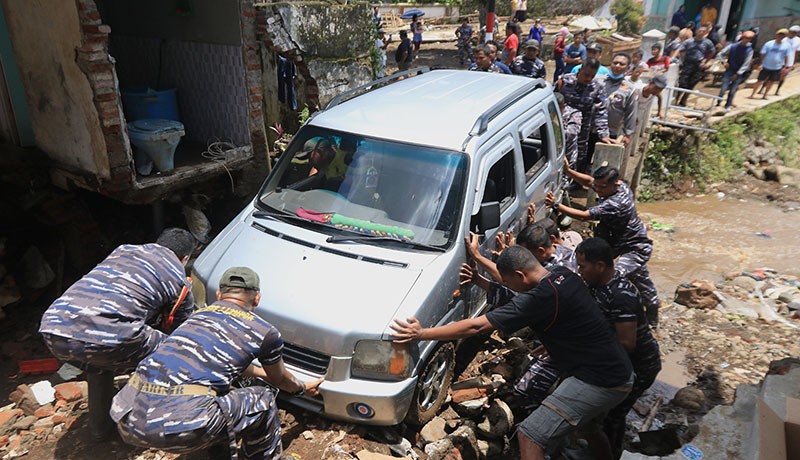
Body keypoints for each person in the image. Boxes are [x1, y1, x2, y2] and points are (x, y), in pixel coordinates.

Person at [391, 246, 633, 460]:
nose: (507, 287)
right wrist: (555, 343)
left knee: (530, 435)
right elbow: (576, 317)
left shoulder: (540, 299)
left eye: (508, 282)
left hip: (600, 381)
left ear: (520, 275)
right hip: (618, 370)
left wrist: (422, 333)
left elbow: (478, 326)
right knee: (589, 426)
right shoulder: (564, 275)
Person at [112, 267, 324, 459]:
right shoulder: (265, 331)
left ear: (220, 295)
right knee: (263, 399)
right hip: (180, 427)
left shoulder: (196, 317)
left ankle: (216, 451)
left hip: (129, 419)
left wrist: (258, 372)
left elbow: (218, 364)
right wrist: (302, 388)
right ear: (257, 298)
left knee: (217, 390)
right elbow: (281, 380)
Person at [40, 228, 197, 439]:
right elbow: (183, 330)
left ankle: (100, 427)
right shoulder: (179, 278)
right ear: (185, 258)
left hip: (54, 329)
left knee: (99, 362)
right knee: (175, 350)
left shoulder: (123, 251)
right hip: (109, 334)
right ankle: (156, 423)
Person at [575, 238, 661, 460]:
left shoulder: (621, 296)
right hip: (622, 361)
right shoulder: (597, 284)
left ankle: (609, 454)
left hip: (640, 365)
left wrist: (586, 352)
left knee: (612, 414)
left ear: (600, 266)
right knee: (611, 414)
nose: (579, 271)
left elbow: (626, 343)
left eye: (582, 266)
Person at [546, 165, 661, 327]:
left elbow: (585, 216)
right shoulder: (610, 186)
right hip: (616, 243)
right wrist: (568, 171)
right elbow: (589, 181)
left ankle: (621, 316)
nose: (598, 189)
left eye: (602, 187)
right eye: (597, 186)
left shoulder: (618, 202)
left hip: (635, 247)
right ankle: (652, 309)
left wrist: (556, 205)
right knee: (640, 277)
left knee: (612, 278)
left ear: (616, 183)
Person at [556, 58, 613, 174]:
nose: (588, 79)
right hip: (561, 126)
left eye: (592, 76)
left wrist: (603, 134)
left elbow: (600, 111)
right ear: (580, 69)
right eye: (586, 75)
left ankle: (575, 182)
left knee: (579, 157)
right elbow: (553, 100)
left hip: (582, 130)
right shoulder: (564, 81)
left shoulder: (597, 86)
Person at [604, 52, 639, 147]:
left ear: (627, 67)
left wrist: (628, 134)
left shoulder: (629, 89)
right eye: (615, 63)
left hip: (612, 131)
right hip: (592, 129)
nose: (617, 66)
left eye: (622, 64)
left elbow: (631, 113)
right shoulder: (599, 81)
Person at [676, 26, 715, 106]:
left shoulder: (707, 42)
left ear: (705, 33)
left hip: (698, 64)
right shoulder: (689, 42)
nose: (701, 33)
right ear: (696, 31)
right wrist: (682, 61)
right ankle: (676, 99)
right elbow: (681, 50)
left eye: (703, 32)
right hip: (688, 63)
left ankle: (683, 100)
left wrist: (705, 61)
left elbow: (712, 51)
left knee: (692, 83)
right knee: (683, 82)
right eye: (699, 31)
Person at [749, 29, 792, 99]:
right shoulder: (769, 44)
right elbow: (763, 54)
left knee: (771, 81)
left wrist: (785, 66)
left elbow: (787, 56)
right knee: (760, 80)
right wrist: (761, 63)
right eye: (780, 34)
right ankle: (752, 94)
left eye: (783, 35)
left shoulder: (787, 46)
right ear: (776, 35)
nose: (781, 36)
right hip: (766, 65)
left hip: (777, 67)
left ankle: (765, 95)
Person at [716, 30, 754, 110]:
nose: (746, 40)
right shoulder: (733, 46)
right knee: (723, 88)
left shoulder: (749, 50)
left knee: (733, 90)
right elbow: (720, 54)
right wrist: (723, 62)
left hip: (739, 72)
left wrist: (737, 74)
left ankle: (728, 105)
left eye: (748, 39)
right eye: (745, 38)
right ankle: (718, 103)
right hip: (729, 69)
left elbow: (746, 64)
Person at [774, 25, 800, 95]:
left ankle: (777, 90)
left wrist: (793, 63)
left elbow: (797, 52)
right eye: (791, 32)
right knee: (771, 75)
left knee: (783, 76)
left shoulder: (798, 40)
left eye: (794, 32)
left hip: (789, 62)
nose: (792, 33)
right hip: (778, 60)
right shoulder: (783, 39)